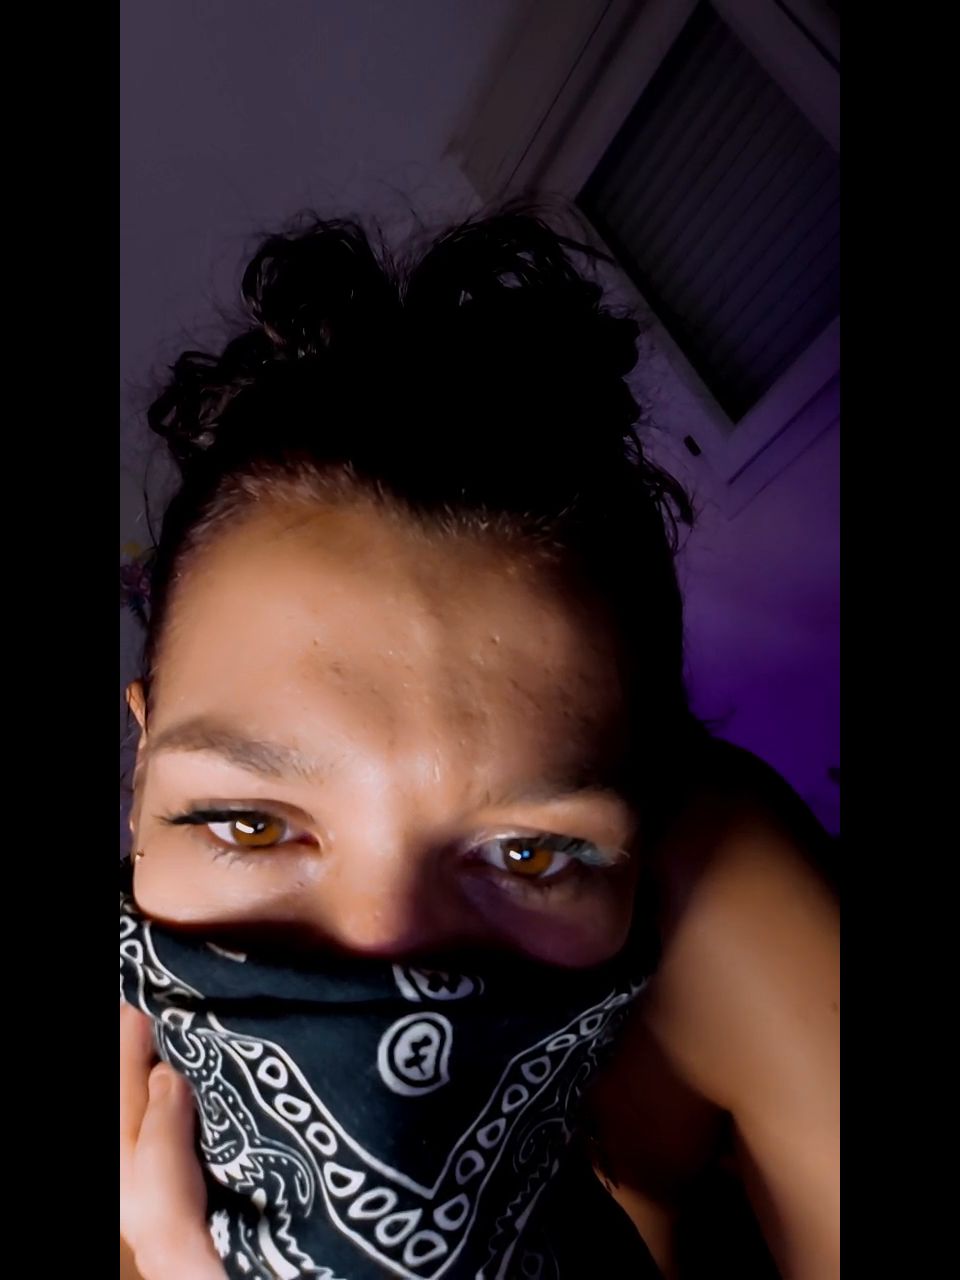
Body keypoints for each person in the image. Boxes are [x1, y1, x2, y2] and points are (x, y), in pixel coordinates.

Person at [119, 209, 839, 1280]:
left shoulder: (724, 895)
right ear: (140, 777)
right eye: (251, 823)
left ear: (645, 821)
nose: (388, 952)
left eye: (528, 853)